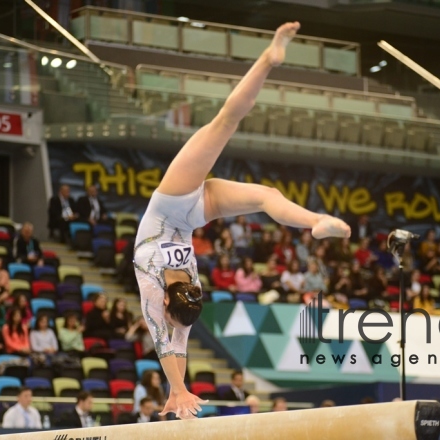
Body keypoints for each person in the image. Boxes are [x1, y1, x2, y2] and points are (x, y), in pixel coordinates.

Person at [132, 21, 350, 420]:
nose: (161, 313)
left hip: (175, 206)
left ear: (164, 300)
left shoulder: (153, 282)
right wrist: (177, 389)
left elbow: (169, 339)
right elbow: (172, 336)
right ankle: (314, 219)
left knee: (243, 159)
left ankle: (316, 220)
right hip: (185, 210)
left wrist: (178, 390)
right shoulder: (185, 294)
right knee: (249, 168)